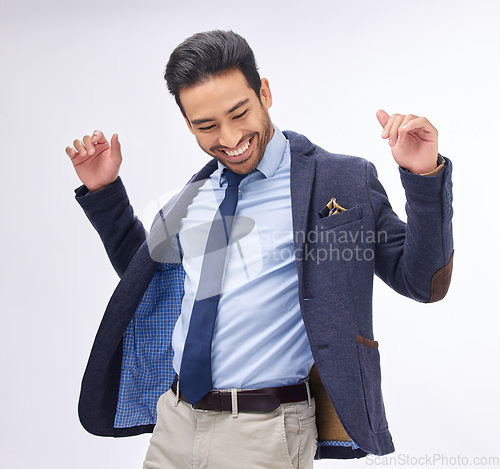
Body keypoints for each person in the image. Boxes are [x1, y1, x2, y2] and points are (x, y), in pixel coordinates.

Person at [65, 30, 454, 469]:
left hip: (265, 431)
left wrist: (423, 179)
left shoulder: (340, 182)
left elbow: (423, 281)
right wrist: (105, 193)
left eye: (239, 113)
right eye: (206, 125)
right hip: (174, 422)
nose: (229, 138)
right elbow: (147, 283)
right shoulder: (191, 199)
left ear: (264, 92)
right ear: (187, 123)